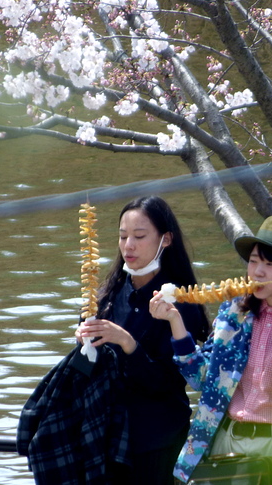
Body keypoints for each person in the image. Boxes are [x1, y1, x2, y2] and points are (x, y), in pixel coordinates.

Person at [150, 216, 272, 485]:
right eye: (254, 261)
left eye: (270, 265)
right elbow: (202, 379)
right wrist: (175, 322)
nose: (258, 272)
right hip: (227, 441)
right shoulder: (233, 314)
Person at [75, 195, 211, 484]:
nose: (129, 246)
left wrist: (128, 344)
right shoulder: (104, 297)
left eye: (139, 236)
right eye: (123, 236)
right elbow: (85, 374)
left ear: (166, 239)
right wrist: (82, 344)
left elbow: (167, 382)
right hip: (107, 434)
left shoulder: (180, 302)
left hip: (156, 439)